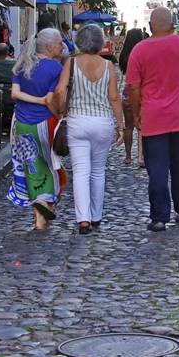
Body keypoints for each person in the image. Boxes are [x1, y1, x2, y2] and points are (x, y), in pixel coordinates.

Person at [126, 7, 179, 231]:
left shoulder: (139, 50)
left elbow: (133, 87)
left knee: (157, 167)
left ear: (151, 26)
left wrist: (136, 113)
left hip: (153, 117)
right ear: (172, 24)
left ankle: (159, 217)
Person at [56, 25, 124, 235]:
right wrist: (120, 125)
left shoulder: (72, 62)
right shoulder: (108, 66)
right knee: (97, 171)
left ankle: (83, 219)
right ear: (100, 42)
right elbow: (114, 97)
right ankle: (96, 216)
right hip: (102, 121)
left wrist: (59, 111)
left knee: (81, 171)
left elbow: (60, 90)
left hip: (77, 120)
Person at [9, 28, 66, 231]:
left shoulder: (22, 64)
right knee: (50, 166)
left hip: (20, 124)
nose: (62, 46)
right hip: (44, 122)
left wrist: (35, 100)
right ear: (50, 47)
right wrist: (57, 113)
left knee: (31, 166)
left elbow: (15, 94)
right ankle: (44, 207)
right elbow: (51, 100)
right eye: (60, 43)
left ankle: (38, 215)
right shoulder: (56, 68)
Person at [117, 28, 147, 167]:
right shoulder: (142, 54)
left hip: (126, 91)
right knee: (142, 125)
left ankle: (128, 156)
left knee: (128, 126)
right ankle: (141, 156)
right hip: (141, 91)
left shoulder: (123, 55)